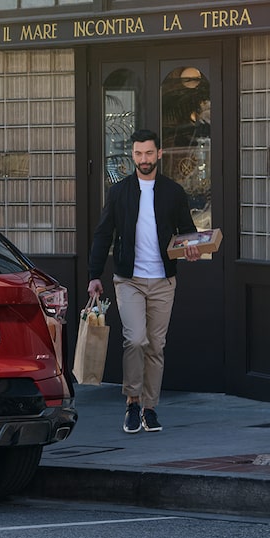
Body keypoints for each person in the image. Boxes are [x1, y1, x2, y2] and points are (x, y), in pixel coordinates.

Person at [87, 129, 201, 434]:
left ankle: (150, 409)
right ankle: (132, 402)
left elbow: (187, 231)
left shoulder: (174, 192)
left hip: (163, 280)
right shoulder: (119, 191)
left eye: (149, 153)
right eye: (138, 154)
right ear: (132, 156)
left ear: (159, 154)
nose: (143, 159)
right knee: (135, 339)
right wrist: (94, 275)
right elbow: (102, 234)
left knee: (155, 346)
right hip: (129, 280)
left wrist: (191, 248)